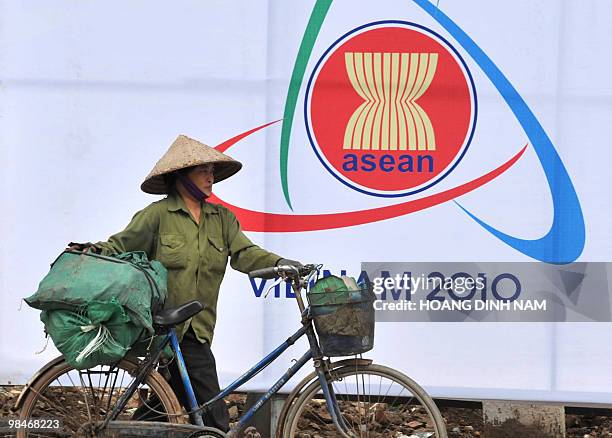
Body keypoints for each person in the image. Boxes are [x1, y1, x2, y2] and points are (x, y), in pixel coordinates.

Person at [70, 134, 301, 431]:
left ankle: (121, 432)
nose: (210, 177)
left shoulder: (222, 219)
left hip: (200, 328)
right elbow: (121, 246)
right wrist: (93, 251)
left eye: (212, 171)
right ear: (181, 176)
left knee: (164, 407)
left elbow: (245, 253)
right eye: (202, 170)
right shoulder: (157, 215)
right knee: (213, 417)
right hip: (168, 328)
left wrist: (280, 264)